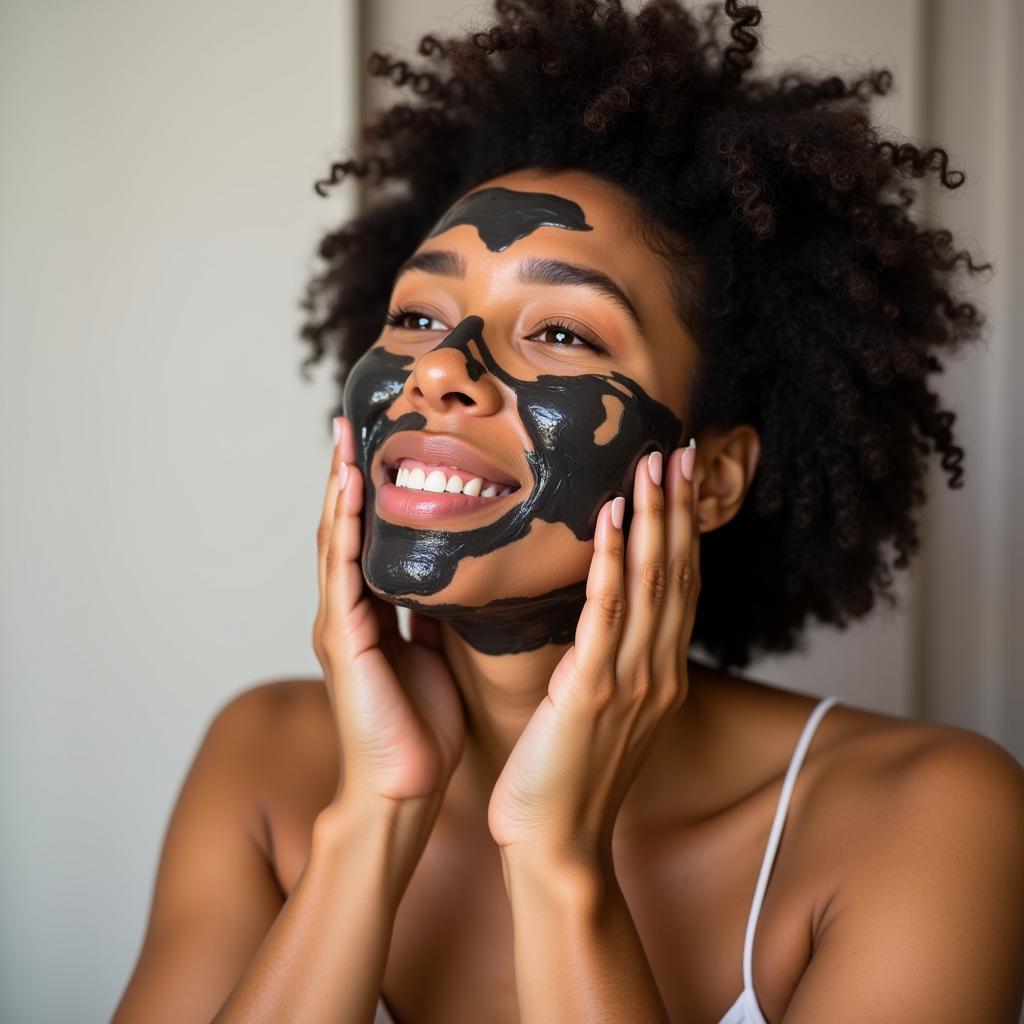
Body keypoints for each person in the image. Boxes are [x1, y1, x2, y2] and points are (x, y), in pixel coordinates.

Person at [112, 2, 1024, 1022]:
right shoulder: (266, 759)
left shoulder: (928, 815)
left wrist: (559, 859)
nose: (441, 371)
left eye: (559, 332)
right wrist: (376, 816)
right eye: (416, 316)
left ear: (712, 476)